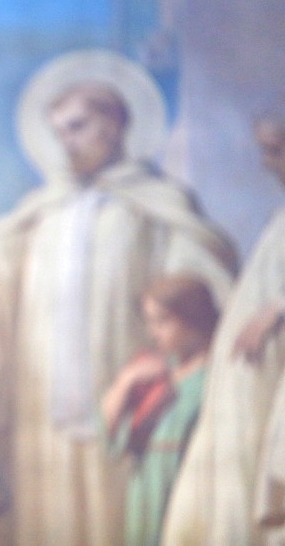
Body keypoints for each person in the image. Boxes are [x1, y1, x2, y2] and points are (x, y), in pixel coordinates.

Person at [0, 51, 237, 545]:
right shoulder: (41, 211)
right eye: (60, 133)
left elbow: (198, 288)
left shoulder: (158, 208)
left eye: (78, 127)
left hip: (125, 386)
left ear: (116, 124)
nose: (67, 144)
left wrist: (183, 350)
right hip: (42, 403)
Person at [164, 114, 285, 545]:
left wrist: (278, 310)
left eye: (276, 151)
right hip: (252, 382)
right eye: (266, 152)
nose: (269, 164)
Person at [100, 274, 219, 546]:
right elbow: (110, 437)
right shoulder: (153, 372)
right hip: (147, 486)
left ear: (193, 317)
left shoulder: (214, 375)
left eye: (163, 321)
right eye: (150, 322)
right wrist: (125, 382)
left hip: (188, 486)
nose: (153, 332)